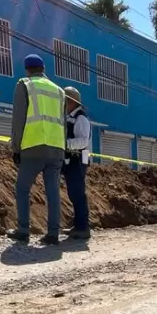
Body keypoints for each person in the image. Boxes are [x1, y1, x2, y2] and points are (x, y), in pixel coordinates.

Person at [8, 54, 65, 245]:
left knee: (23, 188)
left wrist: (16, 148)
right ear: (43, 69)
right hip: (56, 147)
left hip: (33, 146)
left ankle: (23, 230)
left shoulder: (24, 85)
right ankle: (53, 233)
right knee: (53, 192)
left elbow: (18, 120)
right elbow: (62, 122)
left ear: (27, 70)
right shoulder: (59, 91)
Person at [62, 85, 92, 240]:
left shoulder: (81, 118)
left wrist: (65, 143)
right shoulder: (69, 117)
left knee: (78, 193)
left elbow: (83, 141)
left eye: (65, 101)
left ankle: (83, 228)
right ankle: (78, 225)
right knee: (73, 193)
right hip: (72, 159)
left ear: (71, 102)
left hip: (79, 159)